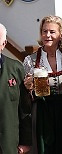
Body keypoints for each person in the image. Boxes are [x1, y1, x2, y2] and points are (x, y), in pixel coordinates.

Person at [23, 15, 62, 154]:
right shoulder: (29, 60)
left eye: (52, 32)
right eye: (44, 31)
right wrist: (28, 87)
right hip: (42, 111)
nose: (47, 35)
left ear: (60, 34)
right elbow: (25, 93)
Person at [0, 23, 32, 154]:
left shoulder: (15, 68)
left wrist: (25, 142)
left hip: (8, 143)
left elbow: (24, 108)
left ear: (3, 44)